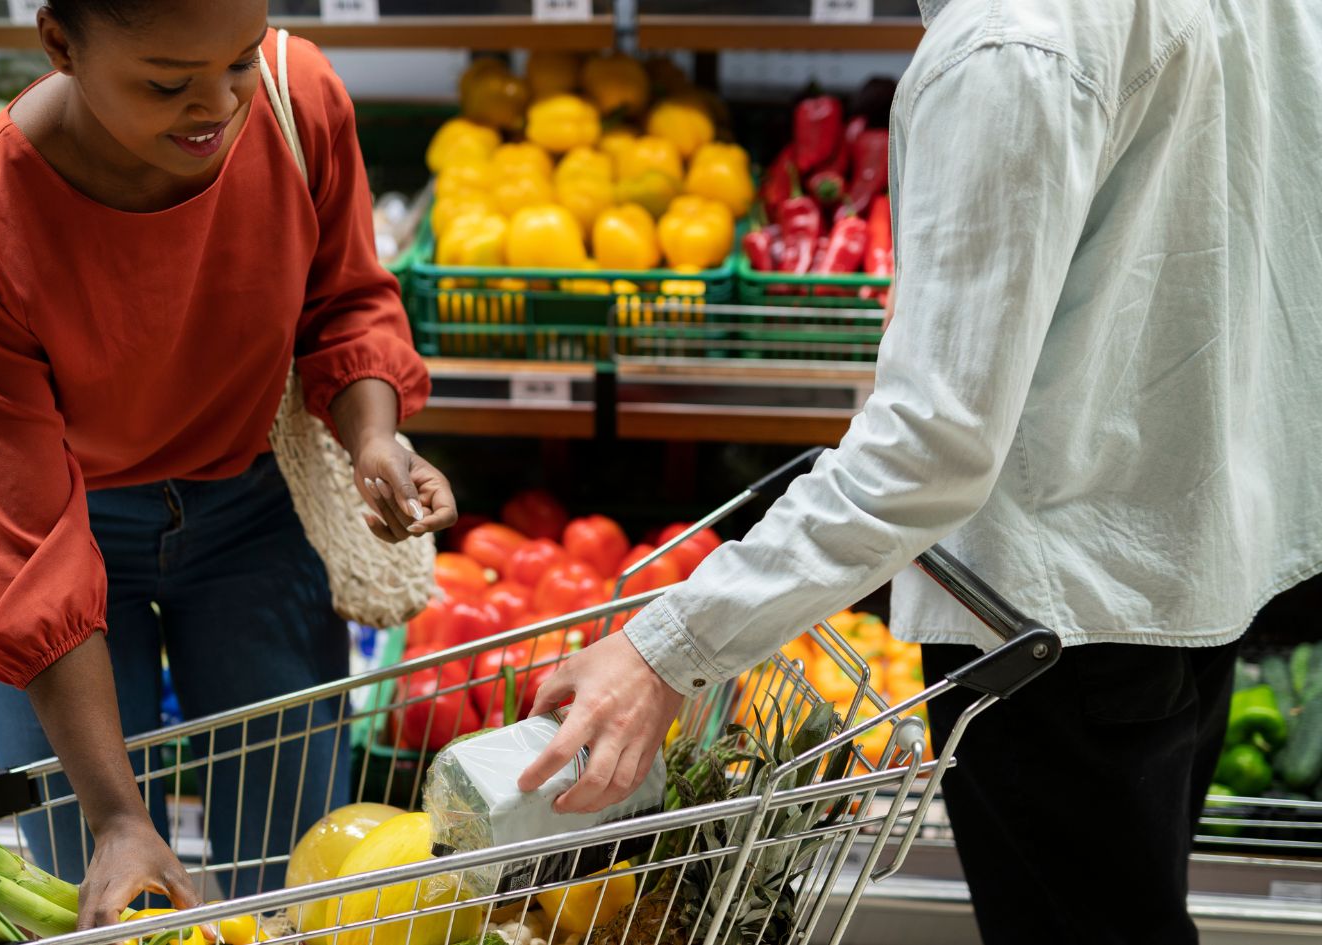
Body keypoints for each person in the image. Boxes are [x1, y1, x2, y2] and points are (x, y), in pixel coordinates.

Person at [520, 0, 1322, 941]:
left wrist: (667, 652)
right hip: (1185, 558)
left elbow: (930, 447)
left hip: (1051, 615)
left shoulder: (1006, 45)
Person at [0, 0, 456, 928]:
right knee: (98, 882)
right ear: (60, 44)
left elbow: (347, 300)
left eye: (239, 60)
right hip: (63, 531)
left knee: (294, 877)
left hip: (258, 515)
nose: (219, 105)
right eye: (168, 83)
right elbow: (35, 540)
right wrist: (118, 818)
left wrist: (372, 434)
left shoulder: (296, 96)